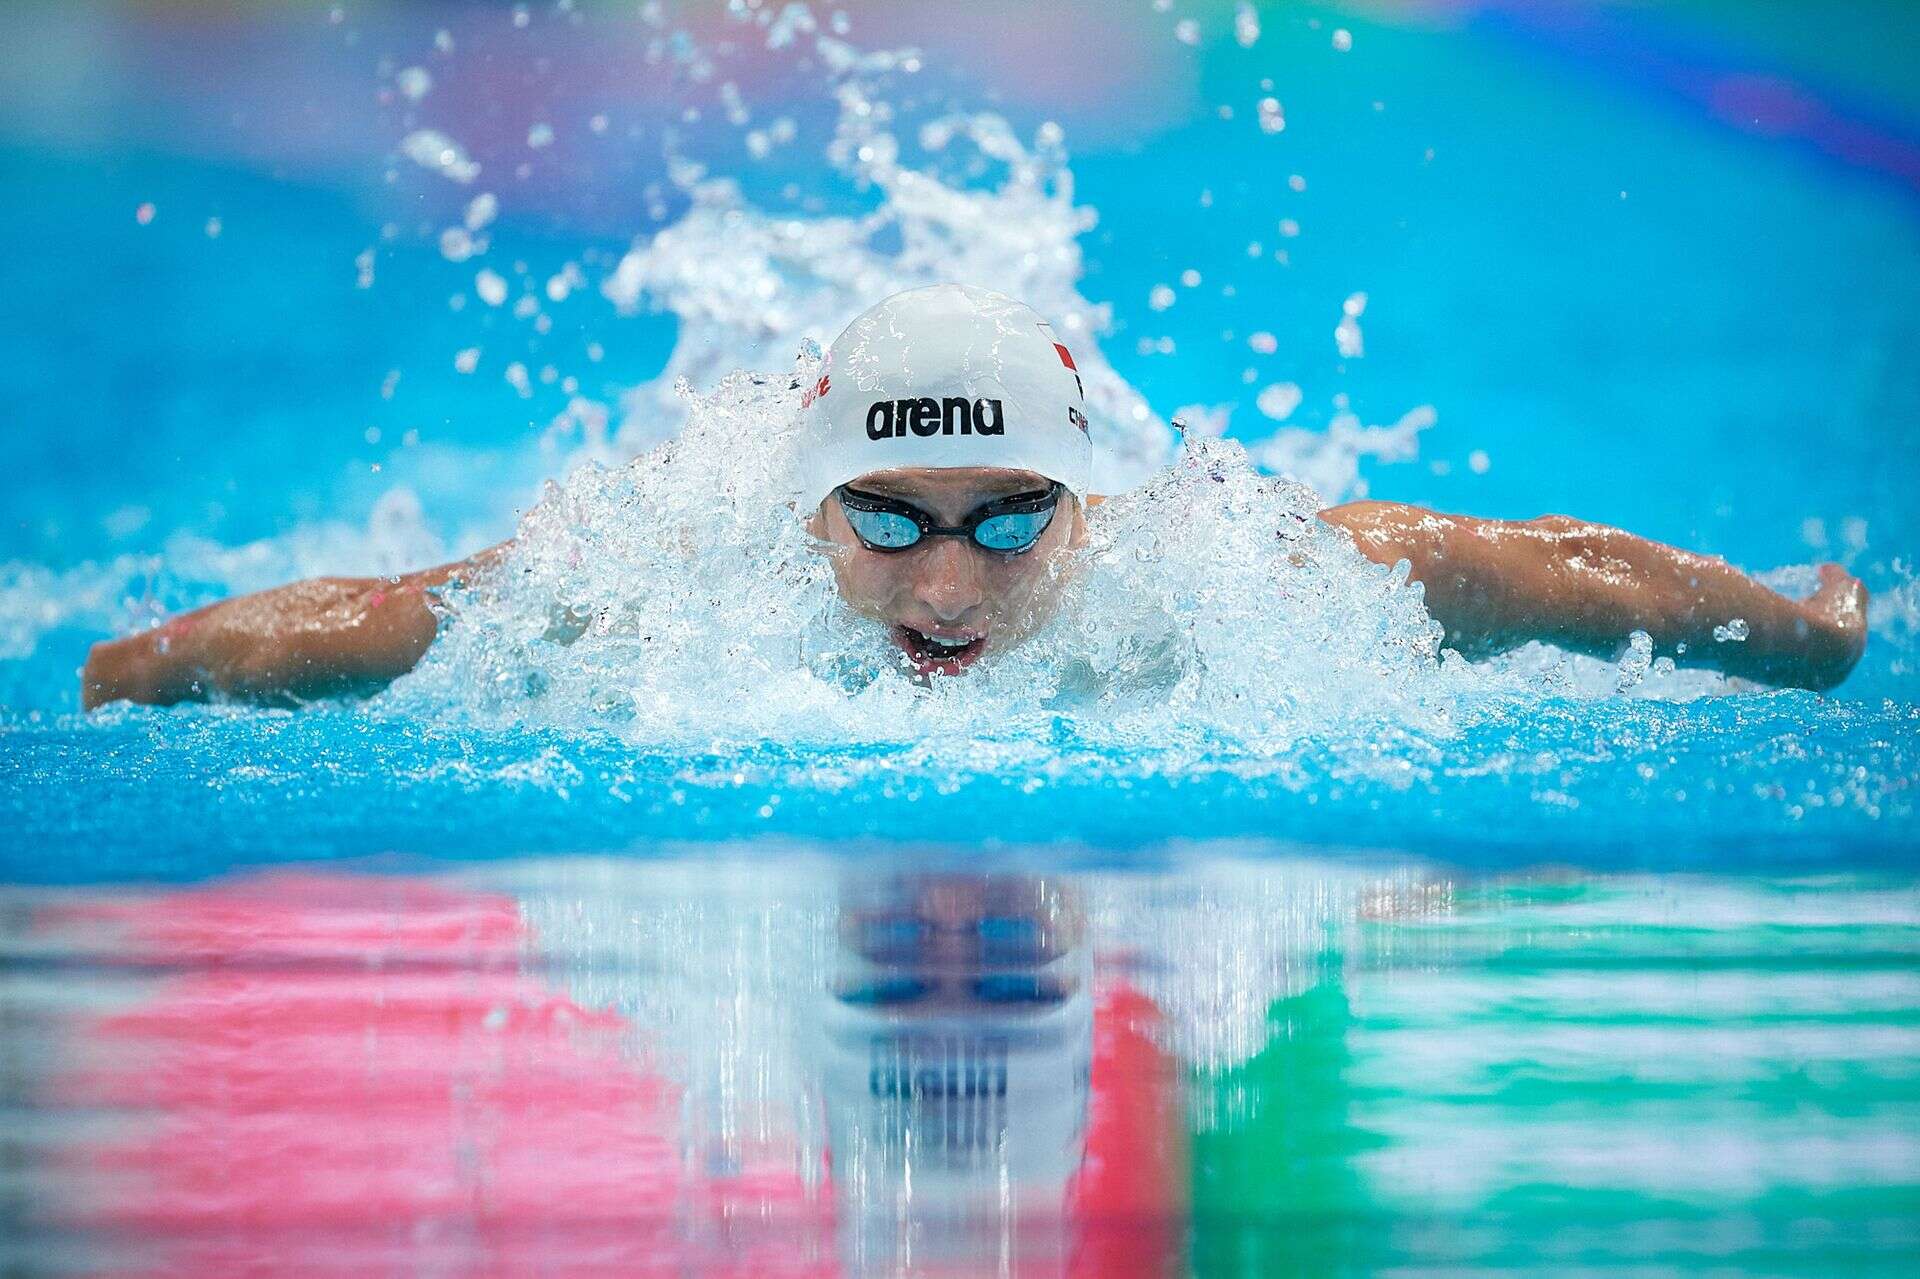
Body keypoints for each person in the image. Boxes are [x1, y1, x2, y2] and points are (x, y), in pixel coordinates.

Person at [79, 284, 1869, 709]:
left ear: (1093, 501)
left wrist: (1805, 639)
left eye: (1012, 516)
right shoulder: (674, 578)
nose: (952, 583)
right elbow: (387, 616)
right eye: (889, 519)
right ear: (806, 509)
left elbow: (1546, 568)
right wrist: (132, 673)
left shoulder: (1217, 572)